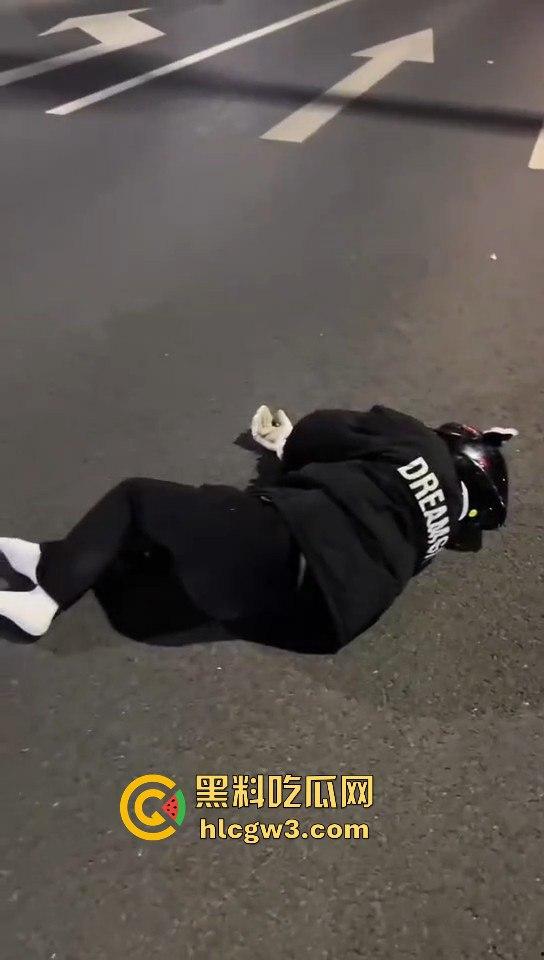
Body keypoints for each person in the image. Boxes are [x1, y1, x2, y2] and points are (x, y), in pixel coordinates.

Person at [0, 404, 517, 652]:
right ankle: (52, 558)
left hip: (290, 544)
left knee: (137, 499)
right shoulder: (431, 541)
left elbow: (322, 431)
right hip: (319, 624)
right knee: (165, 551)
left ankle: (46, 597)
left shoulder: (418, 443)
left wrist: (293, 448)